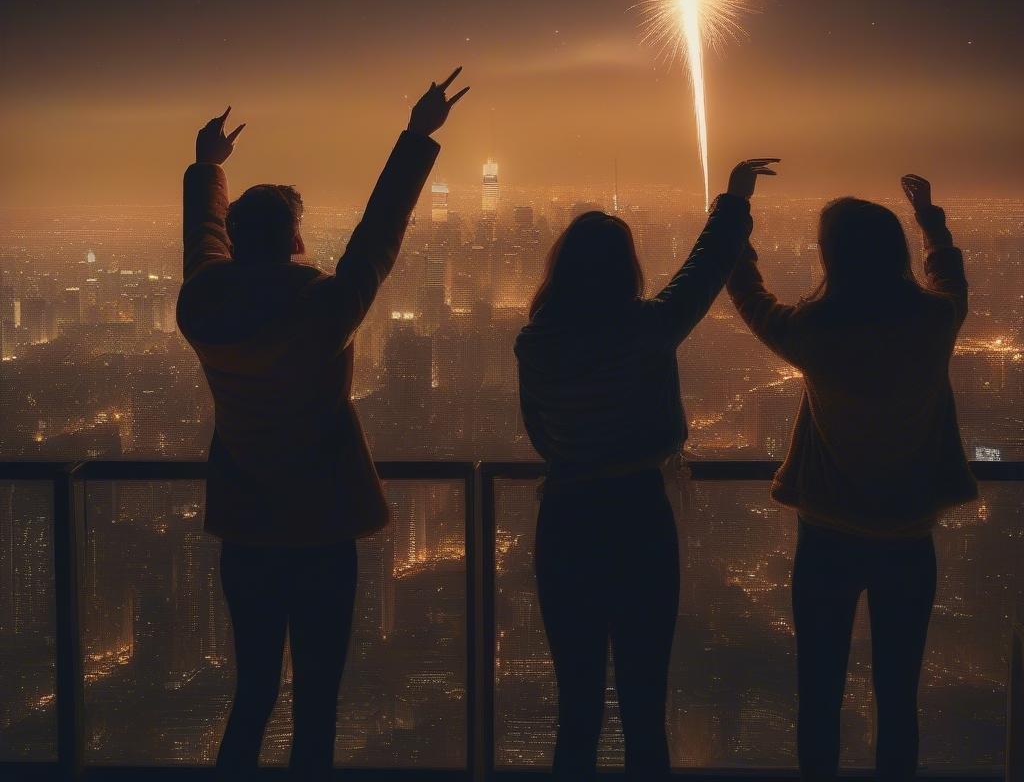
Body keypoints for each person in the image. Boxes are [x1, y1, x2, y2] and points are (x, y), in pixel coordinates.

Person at [176, 69, 469, 779]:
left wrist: (206, 169)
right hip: (323, 528)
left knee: (252, 693)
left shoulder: (203, 308)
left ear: (239, 243)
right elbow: (378, 237)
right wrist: (416, 136)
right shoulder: (325, 310)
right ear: (297, 240)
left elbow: (203, 249)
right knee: (318, 702)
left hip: (246, 529)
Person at [514, 158, 779, 780]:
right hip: (638, 517)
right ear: (624, 269)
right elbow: (702, 271)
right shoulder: (647, 330)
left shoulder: (536, 343)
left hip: (568, 521)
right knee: (643, 705)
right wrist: (734, 199)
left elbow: (539, 434)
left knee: (575, 706)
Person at [726, 175, 978, 782]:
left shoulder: (816, 331)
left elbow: (752, 299)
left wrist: (737, 224)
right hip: (909, 536)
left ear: (831, 258)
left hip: (828, 535)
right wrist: (931, 220)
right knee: (898, 699)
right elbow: (950, 279)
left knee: (818, 696)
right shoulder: (933, 322)